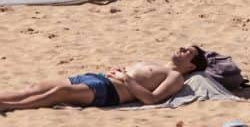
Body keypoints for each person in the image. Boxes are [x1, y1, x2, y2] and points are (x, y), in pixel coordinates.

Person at [0, 46, 206, 111]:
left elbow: (152, 99)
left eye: (187, 51)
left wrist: (127, 79)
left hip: (109, 91)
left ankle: (8, 106)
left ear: (191, 66)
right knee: (35, 87)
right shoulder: (158, 64)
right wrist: (121, 70)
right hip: (96, 78)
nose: (181, 49)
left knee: (57, 93)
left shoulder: (175, 76)